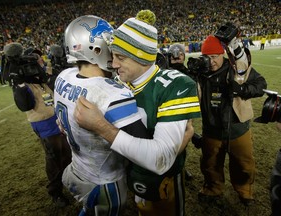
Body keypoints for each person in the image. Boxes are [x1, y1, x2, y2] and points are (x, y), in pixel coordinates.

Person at [74, 10, 201, 216]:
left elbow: (160, 160)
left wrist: (101, 127)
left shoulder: (175, 84)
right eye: (113, 56)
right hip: (130, 175)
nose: (114, 65)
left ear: (142, 57)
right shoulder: (117, 84)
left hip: (161, 181)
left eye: (121, 57)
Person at [54, 15, 150, 216]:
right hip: (104, 180)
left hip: (77, 167)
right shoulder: (111, 94)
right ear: (95, 49)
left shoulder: (64, 76)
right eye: (108, 43)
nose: (113, 49)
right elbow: (144, 149)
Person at [195, 34, 267, 206]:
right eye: (207, 57)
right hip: (211, 130)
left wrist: (241, 89)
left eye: (214, 56)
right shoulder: (200, 73)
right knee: (210, 164)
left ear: (223, 54)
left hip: (238, 128)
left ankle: (244, 191)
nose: (211, 61)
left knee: (244, 164)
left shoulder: (237, 68)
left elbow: (260, 85)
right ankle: (213, 188)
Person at [3, 43, 72, 208]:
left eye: (39, 56)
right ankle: (55, 192)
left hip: (60, 118)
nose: (38, 59)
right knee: (55, 158)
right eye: (33, 56)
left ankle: (69, 182)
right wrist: (18, 84)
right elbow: (24, 105)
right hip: (43, 123)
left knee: (68, 155)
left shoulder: (45, 73)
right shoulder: (25, 80)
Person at [167, 43, 193, 180]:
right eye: (174, 54)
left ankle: (181, 168)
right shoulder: (163, 71)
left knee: (184, 143)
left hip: (185, 114)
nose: (177, 57)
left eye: (180, 54)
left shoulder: (190, 72)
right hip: (167, 114)